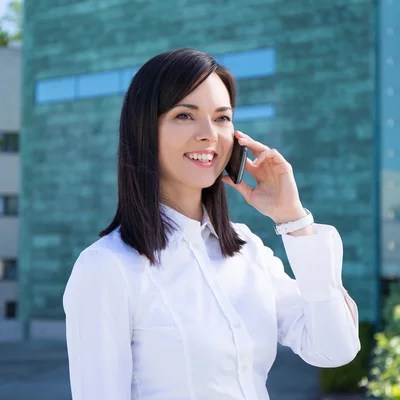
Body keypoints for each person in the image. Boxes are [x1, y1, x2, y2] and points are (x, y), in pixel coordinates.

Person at [62, 48, 360, 400]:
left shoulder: (247, 250)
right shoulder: (107, 267)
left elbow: (335, 348)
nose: (209, 134)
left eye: (222, 118)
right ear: (144, 130)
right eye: (185, 116)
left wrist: (293, 219)